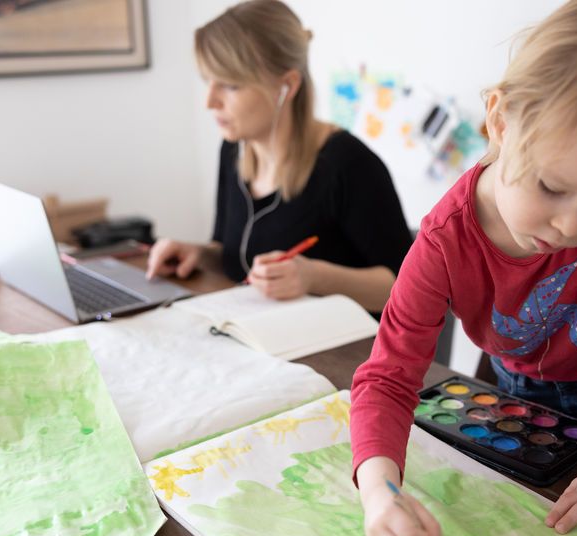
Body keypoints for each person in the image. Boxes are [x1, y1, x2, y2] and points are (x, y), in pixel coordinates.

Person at [349, 0, 577, 536]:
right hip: (523, 394)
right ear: (501, 119)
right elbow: (388, 378)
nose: (571, 227)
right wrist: (378, 494)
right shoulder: (445, 239)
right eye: (551, 186)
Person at [146, 0, 413, 313]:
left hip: (343, 353)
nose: (210, 101)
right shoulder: (233, 149)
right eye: (208, 81)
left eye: (230, 85)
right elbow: (235, 255)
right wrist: (200, 255)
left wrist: (315, 277)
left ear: (286, 86)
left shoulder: (349, 164)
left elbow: (407, 287)